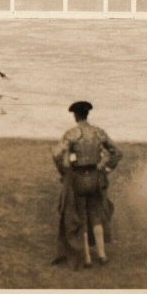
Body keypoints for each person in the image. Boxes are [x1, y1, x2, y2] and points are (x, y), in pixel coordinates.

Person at [51, 101, 122, 270]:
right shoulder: (98, 132)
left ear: (75, 115)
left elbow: (56, 154)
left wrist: (63, 172)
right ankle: (102, 254)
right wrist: (106, 168)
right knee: (97, 215)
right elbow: (117, 153)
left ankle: (88, 258)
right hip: (96, 178)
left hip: (78, 179)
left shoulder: (72, 133)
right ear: (87, 114)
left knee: (80, 216)